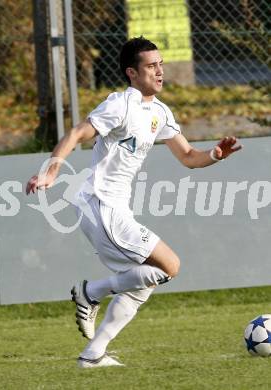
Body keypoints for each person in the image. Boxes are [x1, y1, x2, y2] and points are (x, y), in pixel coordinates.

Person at [26, 36, 242, 368]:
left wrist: (214, 154)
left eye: (161, 64)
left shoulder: (159, 111)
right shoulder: (120, 104)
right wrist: (51, 171)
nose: (159, 71)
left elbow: (187, 156)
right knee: (169, 266)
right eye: (151, 66)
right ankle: (92, 292)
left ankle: (93, 355)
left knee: (146, 280)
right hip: (100, 205)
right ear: (132, 72)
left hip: (114, 209)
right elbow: (77, 133)